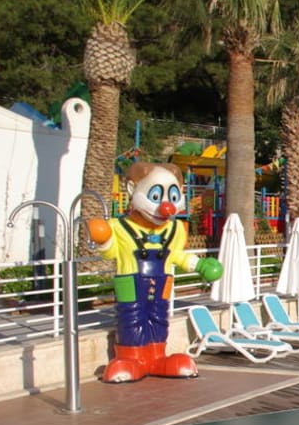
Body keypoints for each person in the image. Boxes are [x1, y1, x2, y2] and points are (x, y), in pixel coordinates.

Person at [88, 162, 223, 383]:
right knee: (131, 318)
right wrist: (103, 238)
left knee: (159, 318)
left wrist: (199, 265)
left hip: (162, 281)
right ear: (132, 190)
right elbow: (111, 251)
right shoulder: (119, 227)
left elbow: (177, 255)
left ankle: (157, 357)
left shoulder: (175, 229)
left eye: (173, 196)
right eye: (156, 196)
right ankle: (130, 358)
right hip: (129, 281)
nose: (166, 207)